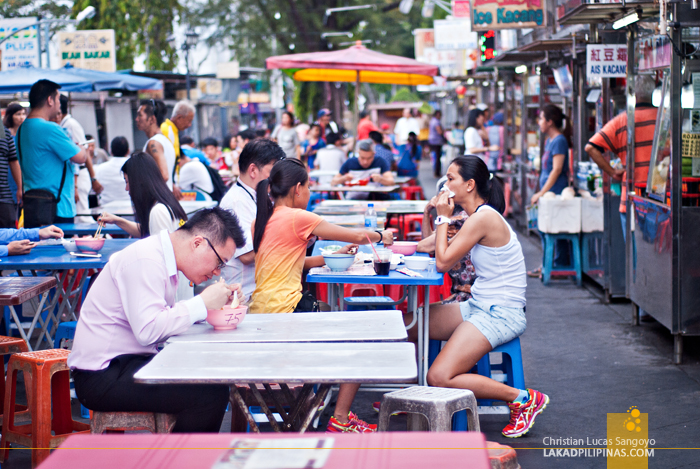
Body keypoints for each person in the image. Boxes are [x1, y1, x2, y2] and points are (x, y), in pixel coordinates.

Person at [68, 208, 246, 433]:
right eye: (220, 262)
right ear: (198, 243)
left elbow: (163, 320)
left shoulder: (159, 257)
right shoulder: (147, 259)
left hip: (124, 363)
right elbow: (148, 330)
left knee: (206, 377)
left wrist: (211, 306)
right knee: (208, 394)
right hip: (103, 374)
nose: (216, 271)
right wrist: (201, 303)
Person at [249, 158, 394, 433]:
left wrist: (332, 257)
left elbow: (290, 262)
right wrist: (381, 234)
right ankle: (339, 417)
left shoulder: (262, 219)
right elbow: (358, 236)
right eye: (309, 187)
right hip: (288, 314)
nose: (310, 193)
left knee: (330, 312)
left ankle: (326, 403)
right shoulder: (298, 217)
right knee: (362, 336)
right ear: (297, 189)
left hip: (260, 313)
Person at [411, 155, 548, 438]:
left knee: (438, 376)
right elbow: (441, 245)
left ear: (470, 185)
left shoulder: (484, 218)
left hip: (501, 314)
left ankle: (522, 398)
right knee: (411, 325)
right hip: (479, 305)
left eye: (450, 179)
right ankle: (410, 399)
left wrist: (441, 217)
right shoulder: (477, 217)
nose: (445, 186)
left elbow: (442, 261)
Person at [97, 152, 192, 301]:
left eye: (128, 182)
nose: (126, 189)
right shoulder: (165, 204)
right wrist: (117, 220)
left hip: (172, 296)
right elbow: (148, 232)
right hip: (181, 289)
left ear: (139, 182)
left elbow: (158, 261)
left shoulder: (158, 212)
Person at [585, 75, 657, 243]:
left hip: (631, 197)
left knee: (635, 255)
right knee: (659, 257)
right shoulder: (664, 117)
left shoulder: (623, 120)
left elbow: (591, 147)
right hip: (661, 198)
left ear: (632, 93)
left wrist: (612, 172)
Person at [220, 139, 284, 301]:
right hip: (246, 298)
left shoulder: (257, 196)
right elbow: (247, 255)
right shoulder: (237, 202)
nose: (278, 178)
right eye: (273, 171)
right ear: (253, 170)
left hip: (259, 291)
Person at [18, 80, 87, 227]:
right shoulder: (50, 129)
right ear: (50, 100)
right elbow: (81, 158)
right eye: (57, 99)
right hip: (58, 209)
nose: (59, 104)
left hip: (33, 206)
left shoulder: (22, 129)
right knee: (59, 250)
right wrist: (82, 147)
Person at [528, 104, 571, 278]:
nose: (539, 122)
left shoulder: (559, 140)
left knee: (555, 230)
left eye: (541, 119)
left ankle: (557, 266)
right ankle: (547, 264)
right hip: (548, 194)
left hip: (556, 194)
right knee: (545, 230)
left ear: (550, 121)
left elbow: (557, 169)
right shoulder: (549, 141)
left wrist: (541, 192)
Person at [58, 95, 103, 224]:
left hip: (79, 175)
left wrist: (93, 178)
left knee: (82, 217)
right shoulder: (64, 124)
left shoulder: (71, 125)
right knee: (79, 216)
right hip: (74, 176)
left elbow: (85, 153)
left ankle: (102, 237)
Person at [135, 99, 177, 191]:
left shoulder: (154, 143)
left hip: (158, 200)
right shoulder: (165, 141)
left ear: (152, 119)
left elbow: (164, 175)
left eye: (140, 115)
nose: (136, 119)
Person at [94, 136, 130, 206]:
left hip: (106, 210)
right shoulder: (135, 166)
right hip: (130, 209)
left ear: (110, 151)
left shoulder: (99, 168)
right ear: (128, 151)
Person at [3, 102, 25, 213]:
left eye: (23, 114)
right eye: (18, 114)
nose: (21, 117)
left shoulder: (25, 136)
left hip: (21, 178)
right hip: (7, 178)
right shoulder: (6, 135)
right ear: (10, 116)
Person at [0, 113, 20, 228]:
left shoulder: (3, 131)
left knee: (9, 232)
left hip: (4, 195)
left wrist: (19, 188)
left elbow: (13, 160)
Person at [161, 100, 195, 167]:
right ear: (179, 118)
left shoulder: (173, 131)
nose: (189, 125)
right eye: (189, 121)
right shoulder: (166, 130)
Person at [428, 110, 446, 177]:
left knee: (435, 157)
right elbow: (440, 132)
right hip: (437, 141)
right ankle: (437, 172)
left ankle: (436, 171)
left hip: (432, 141)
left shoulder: (432, 121)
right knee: (438, 157)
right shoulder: (436, 122)